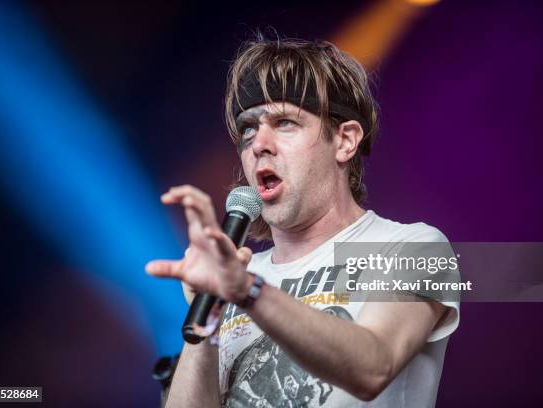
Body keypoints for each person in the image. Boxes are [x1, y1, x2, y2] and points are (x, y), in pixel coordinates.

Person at [146, 35, 460, 408]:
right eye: (248, 127)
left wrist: (247, 291)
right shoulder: (234, 276)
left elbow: (373, 366)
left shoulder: (413, 247)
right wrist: (205, 322)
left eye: (284, 122)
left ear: (345, 141)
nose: (258, 143)